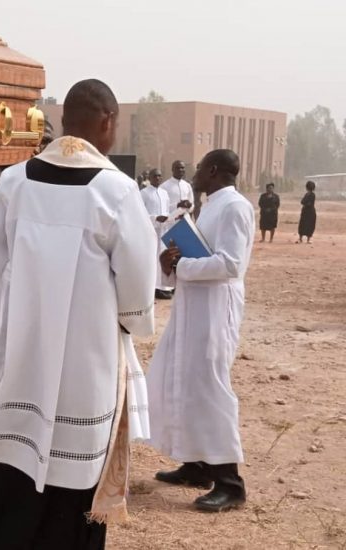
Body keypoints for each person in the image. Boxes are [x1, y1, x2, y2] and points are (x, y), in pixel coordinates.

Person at [0, 79, 156, 549]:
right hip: (88, 361)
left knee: (20, 455)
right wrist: (131, 319)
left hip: (29, 352)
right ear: (108, 122)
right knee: (74, 479)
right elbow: (137, 283)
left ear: (64, 119)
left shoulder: (16, 181)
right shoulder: (116, 190)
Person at [147, 149, 254, 513]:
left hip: (215, 308)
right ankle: (196, 465)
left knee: (210, 388)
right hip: (193, 305)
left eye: (199, 168)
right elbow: (199, 255)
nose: (193, 173)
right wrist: (170, 262)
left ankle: (230, 483)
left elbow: (231, 264)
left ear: (213, 170)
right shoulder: (210, 206)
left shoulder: (235, 207)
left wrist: (182, 265)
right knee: (182, 380)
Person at [140, 168, 172, 299]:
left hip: (163, 230)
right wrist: (155, 218)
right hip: (150, 230)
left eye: (159, 176)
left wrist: (169, 218)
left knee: (163, 257)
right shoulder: (144, 193)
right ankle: (151, 287)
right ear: (150, 178)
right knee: (151, 259)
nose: (158, 178)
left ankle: (162, 287)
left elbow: (168, 210)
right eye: (155, 176)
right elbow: (140, 213)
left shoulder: (164, 193)